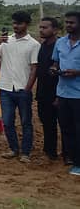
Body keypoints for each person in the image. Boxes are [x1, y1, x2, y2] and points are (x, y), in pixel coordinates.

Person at [0, 11, 40, 163]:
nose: (15, 26)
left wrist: (27, 89)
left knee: (26, 122)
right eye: (14, 23)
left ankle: (25, 152)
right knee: (7, 121)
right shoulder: (6, 41)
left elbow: (34, 69)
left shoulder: (33, 44)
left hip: (22, 89)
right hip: (5, 87)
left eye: (19, 23)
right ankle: (13, 149)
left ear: (27, 24)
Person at [52, 11, 80, 175]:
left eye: (72, 23)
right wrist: (54, 69)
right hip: (63, 93)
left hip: (78, 95)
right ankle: (72, 158)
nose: (68, 25)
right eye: (67, 22)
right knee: (67, 128)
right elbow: (56, 62)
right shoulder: (60, 42)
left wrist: (77, 73)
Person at [37, 17, 62, 161]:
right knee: (47, 123)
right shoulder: (43, 45)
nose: (41, 30)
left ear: (55, 30)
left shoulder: (61, 45)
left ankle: (69, 154)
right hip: (43, 91)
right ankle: (50, 152)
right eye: (40, 27)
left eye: (45, 27)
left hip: (60, 92)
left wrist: (58, 96)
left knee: (65, 124)